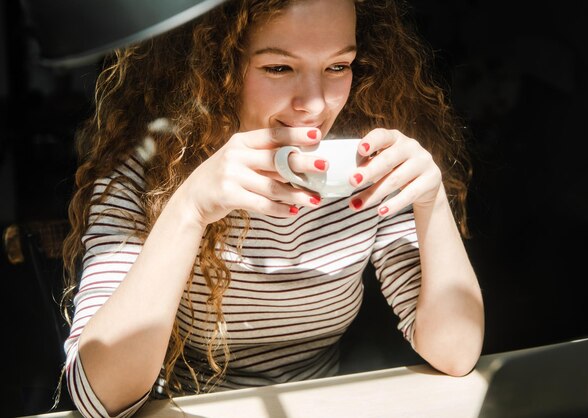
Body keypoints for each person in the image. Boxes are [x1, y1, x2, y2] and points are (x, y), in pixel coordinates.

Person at [61, 0, 484, 416]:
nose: (315, 105)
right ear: (215, 68)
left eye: (338, 67)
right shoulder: (147, 173)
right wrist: (189, 208)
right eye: (279, 68)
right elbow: (97, 397)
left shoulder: (364, 168)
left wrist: (430, 199)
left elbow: (456, 352)